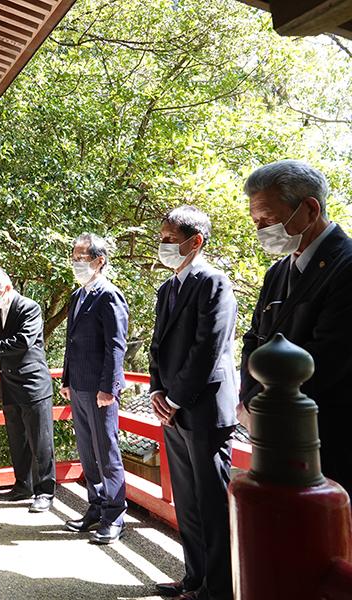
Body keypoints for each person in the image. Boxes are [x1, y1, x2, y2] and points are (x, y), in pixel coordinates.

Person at [240, 160, 352, 494]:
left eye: (269, 219)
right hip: (273, 437)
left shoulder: (345, 267)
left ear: (310, 208)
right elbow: (253, 340)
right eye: (256, 222)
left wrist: (263, 407)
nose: (261, 230)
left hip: (327, 440)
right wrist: (248, 401)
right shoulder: (277, 273)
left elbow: (330, 360)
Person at [149, 206, 237, 600]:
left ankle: (217, 589)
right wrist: (156, 390)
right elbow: (157, 346)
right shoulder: (168, 288)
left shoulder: (214, 283)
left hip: (204, 408)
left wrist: (175, 397)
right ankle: (193, 578)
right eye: (163, 237)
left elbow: (208, 349)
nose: (163, 245)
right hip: (173, 408)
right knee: (187, 501)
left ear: (195, 241)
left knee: (211, 505)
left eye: (169, 238)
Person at [60, 234, 129, 544]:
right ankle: (95, 506)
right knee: (88, 451)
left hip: (101, 390)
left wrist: (109, 388)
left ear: (99, 261)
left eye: (82, 258)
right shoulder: (78, 296)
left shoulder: (109, 295)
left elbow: (116, 346)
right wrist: (66, 380)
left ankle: (114, 515)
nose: (76, 263)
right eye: (74, 257)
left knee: (107, 452)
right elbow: (71, 342)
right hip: (78, 386)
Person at [0, 267, 56, 512]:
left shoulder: (30, 307)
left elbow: (23, 341)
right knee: (17, 439)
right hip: (8, 384)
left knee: (40, 441)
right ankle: (22, 485)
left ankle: (45, 492)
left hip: (33, 384)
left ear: (6, 287)